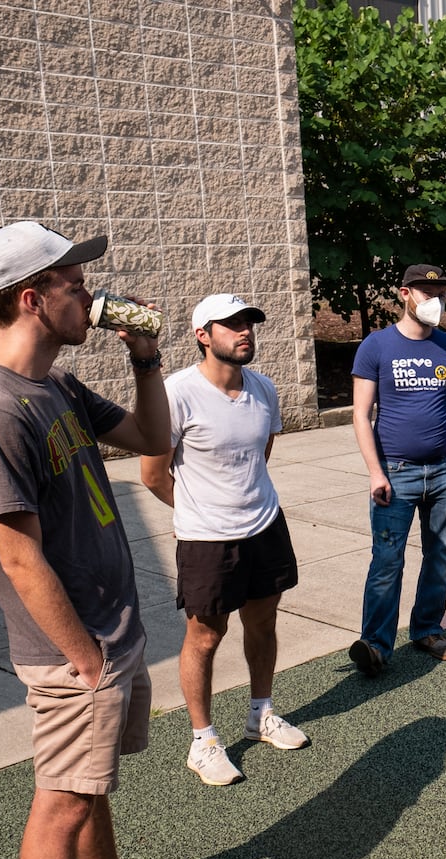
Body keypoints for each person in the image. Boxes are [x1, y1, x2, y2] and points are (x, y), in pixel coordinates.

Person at [0, 221, 201, 859]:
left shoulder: (54, 388)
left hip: (109, 631)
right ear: (31, 298)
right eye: (73, 281)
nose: (89, 291)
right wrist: (87, 660)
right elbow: (20, 561)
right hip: (71, 652)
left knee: (89, 786)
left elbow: (153, 441)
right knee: (58, 803)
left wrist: (147, 357)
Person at [140, 293, 307, 786]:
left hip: (265, 526)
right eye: (231, 325)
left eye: (248, 323)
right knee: (205, 637)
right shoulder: (177, 393)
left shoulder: (263, 389)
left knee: (263, 622)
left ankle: (261, 714)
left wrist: (242, 503)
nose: (245, 331)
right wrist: (198, 510)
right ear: (202, 335)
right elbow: (152, 474)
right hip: (207, 539)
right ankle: (202, 741)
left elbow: (260, 455)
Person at [347, 264, 446, 676]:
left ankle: (426, 629)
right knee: (387, 561)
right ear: (405, 294)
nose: (435, 301)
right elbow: (360, 413)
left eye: (441, 293)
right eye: (427, 293)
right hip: (396, 472)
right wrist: (376, 473)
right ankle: (375, 645)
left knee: (441, 557)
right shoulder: (376, 346)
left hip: (445, 471)